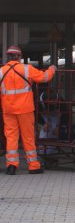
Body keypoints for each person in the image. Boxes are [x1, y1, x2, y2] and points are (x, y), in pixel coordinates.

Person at [1, 45, 56, 175]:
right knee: (28, 137)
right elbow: (44, 77)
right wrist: (52, 69)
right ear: (19, 57)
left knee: (11, 137)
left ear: (8, 57)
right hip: (25, 109)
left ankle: (11, 166)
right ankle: (33, 166)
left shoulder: (1, 71)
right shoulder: (27, 69)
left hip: (8, 109)